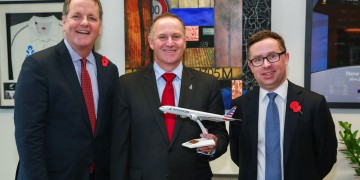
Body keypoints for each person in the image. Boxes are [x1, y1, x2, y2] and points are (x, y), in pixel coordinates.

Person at [110, 13, 229, 180]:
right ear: (151, 42)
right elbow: (119, 145)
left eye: (176, 36)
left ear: (185, 41)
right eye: (162, 37)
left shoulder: (207, 84)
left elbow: (220, 133)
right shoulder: (126, 85)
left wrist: (214, 143)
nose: (170, 43)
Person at [14, 0, 119, 179]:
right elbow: (29, 137)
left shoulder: (109, 70)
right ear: (63, 22)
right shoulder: (38, 66)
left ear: (99, 27)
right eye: (76, 16)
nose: (84, 23)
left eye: (92, 18)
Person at [229, 30, 337, 180]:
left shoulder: (314, 104)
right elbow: (238, 155)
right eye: (258, 59)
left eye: (272, 56)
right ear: (251, 66)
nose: (266, 65)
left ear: (285, 58)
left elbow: (327, 155)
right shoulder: (240, 106)